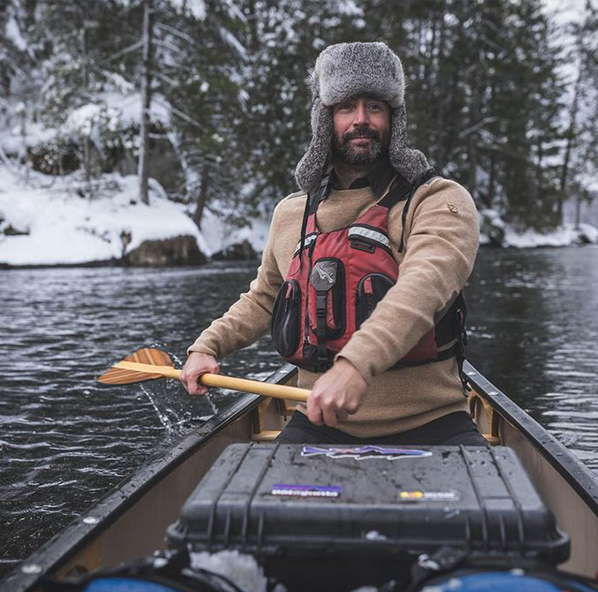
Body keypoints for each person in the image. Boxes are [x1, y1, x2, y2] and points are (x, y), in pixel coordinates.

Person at [181, 42, 485, 446]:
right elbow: (265, 298)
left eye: (375, 106)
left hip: (432, 421)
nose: (361, 119)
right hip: (317, 422)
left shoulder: (439, 200)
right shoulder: (292, 213)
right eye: (346, 107)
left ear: (395, 117)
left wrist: (355, 365)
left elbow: (424, 286)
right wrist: (207, 345)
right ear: (325, 119)